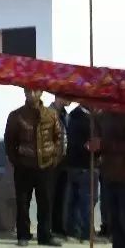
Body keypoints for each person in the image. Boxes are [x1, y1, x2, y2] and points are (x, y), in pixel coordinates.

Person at [4, 88, 63, 247]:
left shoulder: (51, 114)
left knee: (45, 202)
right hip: (24, 165)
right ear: (24, 93)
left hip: (46, 166)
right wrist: (16, 160)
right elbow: (9, 141)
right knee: (23, 202)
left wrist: (54, 158)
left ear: (41, 93)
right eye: (28, 91)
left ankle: (45, 235)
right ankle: (23, 235)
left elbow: (58, 137)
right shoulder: (16, 116)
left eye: (35, 91)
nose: (31, 94)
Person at [90, 110, 125, 248]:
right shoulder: (103, 116)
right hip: (109, 175)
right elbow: (99, 145)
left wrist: (103, 144)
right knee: (115, 223)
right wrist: (94, 147)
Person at [65, 102, 98, 244]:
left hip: (73, 164)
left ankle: (72, 230)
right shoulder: (87, 120)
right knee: (88, 200)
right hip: (86, 164)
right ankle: (86, 233)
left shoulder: (72, 116)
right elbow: (90, 145)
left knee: (73, 200)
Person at [49, 95, 71, 240]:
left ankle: (59, 228)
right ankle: (50, 228)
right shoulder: (49, 113)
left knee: (62, 197)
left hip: (65, 162)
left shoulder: (66, 115)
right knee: (50, 196)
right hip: (52, 161)